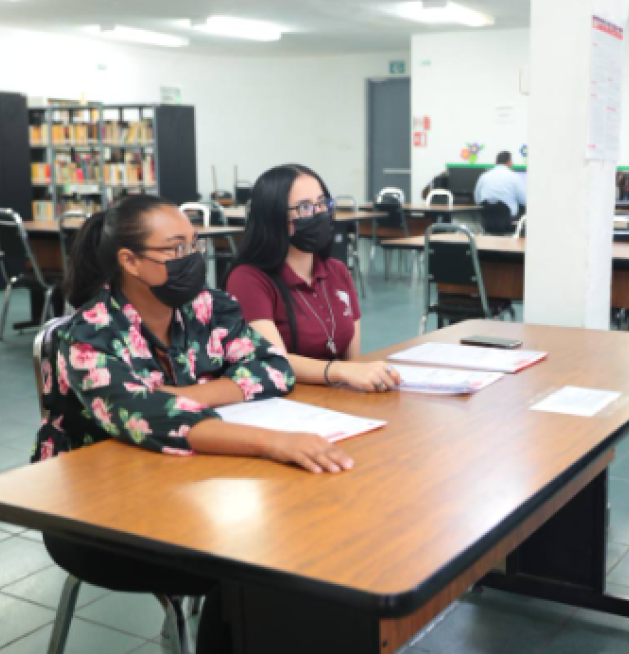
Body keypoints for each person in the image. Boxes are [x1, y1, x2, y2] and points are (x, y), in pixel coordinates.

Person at [34, 195, 354, 652]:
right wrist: (272, 443)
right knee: (252, 566)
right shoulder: (89, 334)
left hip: (188, 484)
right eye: (176, 248)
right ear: (130, 261)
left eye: (194, 244)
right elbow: (145, 417)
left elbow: (273, 368)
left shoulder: (208, 308)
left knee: (301, 533)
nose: (194, 258)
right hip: (95, 515)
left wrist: (183, 397)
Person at [226, 165, 402, 392]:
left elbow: (352, 362)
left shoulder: (338, 272)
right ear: (274, 216)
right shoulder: (248, 279)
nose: (318, 213)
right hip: (282, 403)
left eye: (322, 203)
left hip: (336, 401)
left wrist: (362, 374)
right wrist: (339, 371)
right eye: (304, 207)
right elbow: (275, 361)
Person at [473, 150, 527, 216]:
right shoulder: (514, 176)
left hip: (486, 219)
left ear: (496, 162)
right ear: (509, 162)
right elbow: (523, 200)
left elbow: (477, 199)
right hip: (508, 219)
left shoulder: (484, 176)